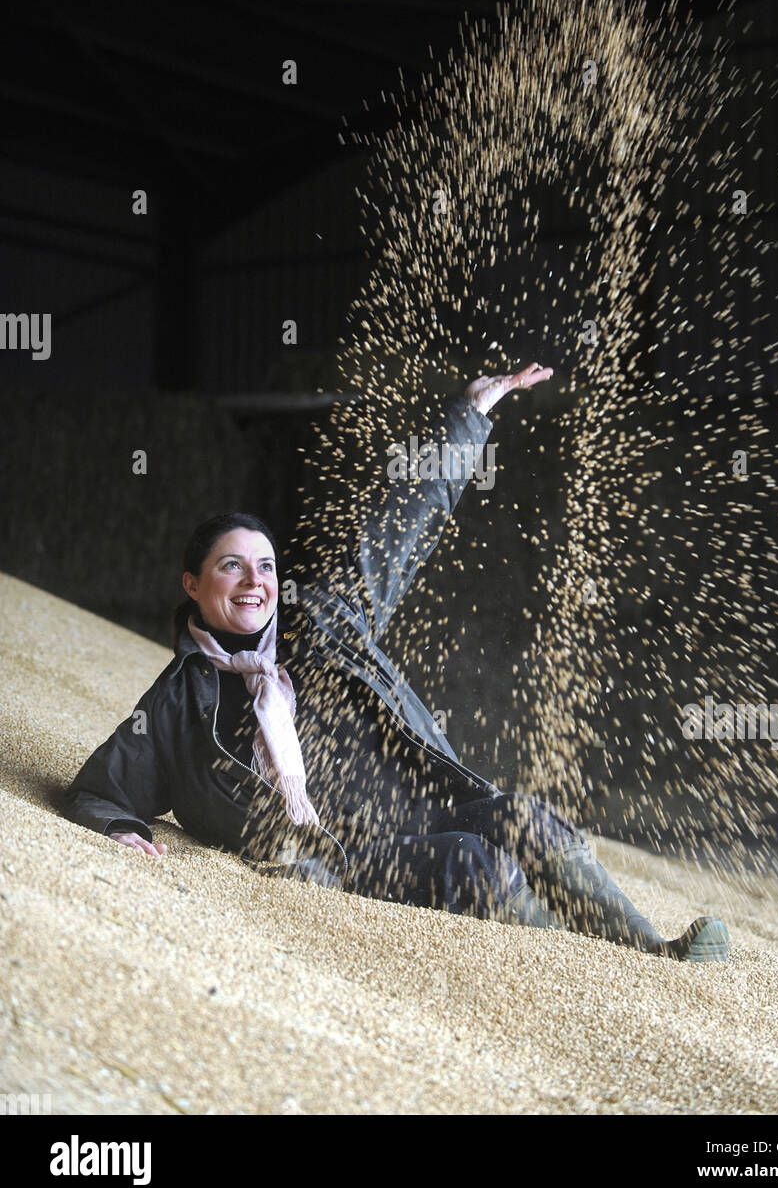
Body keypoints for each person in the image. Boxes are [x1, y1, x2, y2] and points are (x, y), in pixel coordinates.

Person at [63, 364, 730, 962]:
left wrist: (469, 415)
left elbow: (400, 526)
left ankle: (655, 953)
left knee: (523, 819)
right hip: (337, 860)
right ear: (192, 584)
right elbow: (101, 788)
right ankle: (597, 976)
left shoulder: (325, 620)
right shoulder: (180, 701)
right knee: (476, 864)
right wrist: (119, 831)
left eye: (264, 565)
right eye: (230, 565)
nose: (253, 581)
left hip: (419, 810)